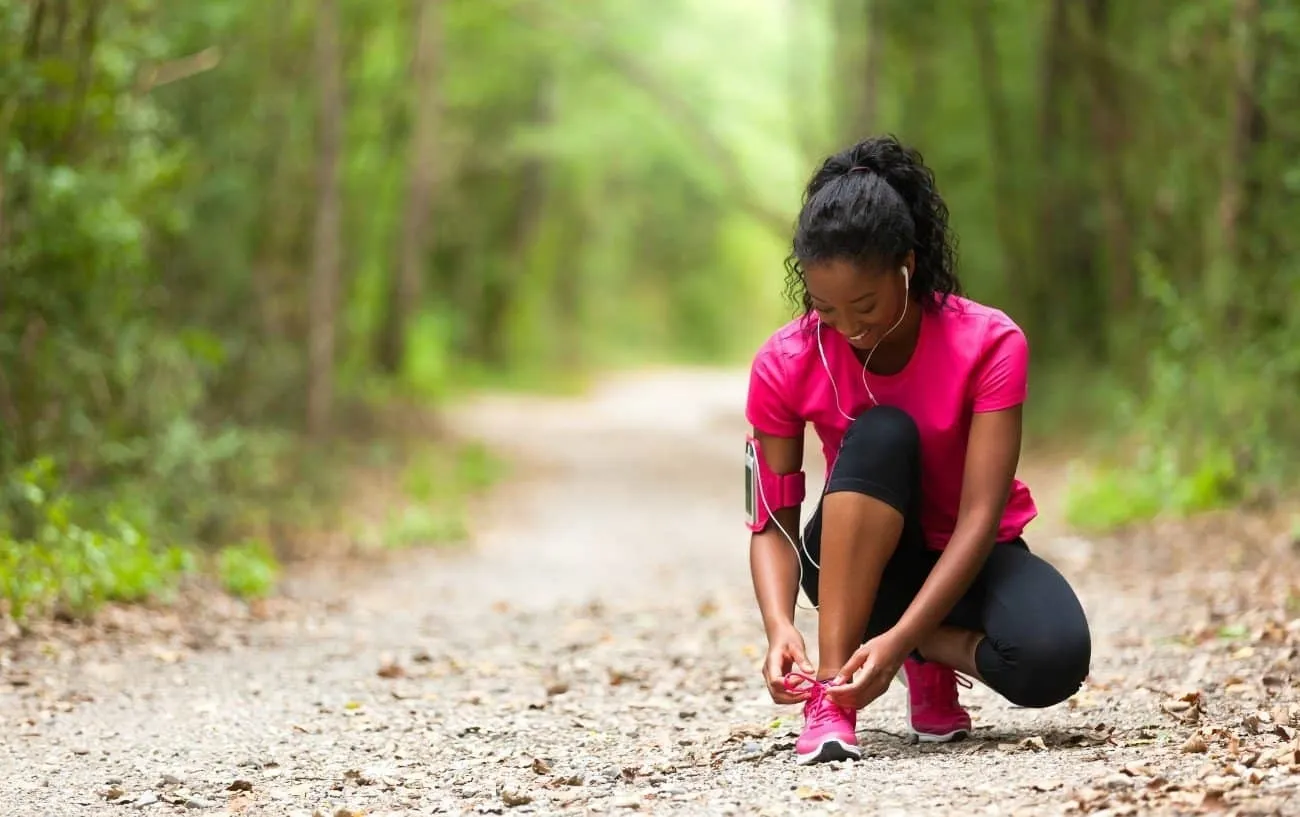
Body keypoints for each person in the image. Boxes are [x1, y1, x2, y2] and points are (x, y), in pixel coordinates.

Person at [743, 135, 1092, 766]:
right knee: (881, 431)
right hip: (856, 563)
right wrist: (778, 625)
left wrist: (904, 639)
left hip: (967, 555)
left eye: (867, 305)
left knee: (1053, 658)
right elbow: (770, 521)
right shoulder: (784, 362)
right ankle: (832, 696)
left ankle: (923, 653)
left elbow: (982, 517)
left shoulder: (989, 343)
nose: (849, 327)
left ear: (905, 266)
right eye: (826, 308)